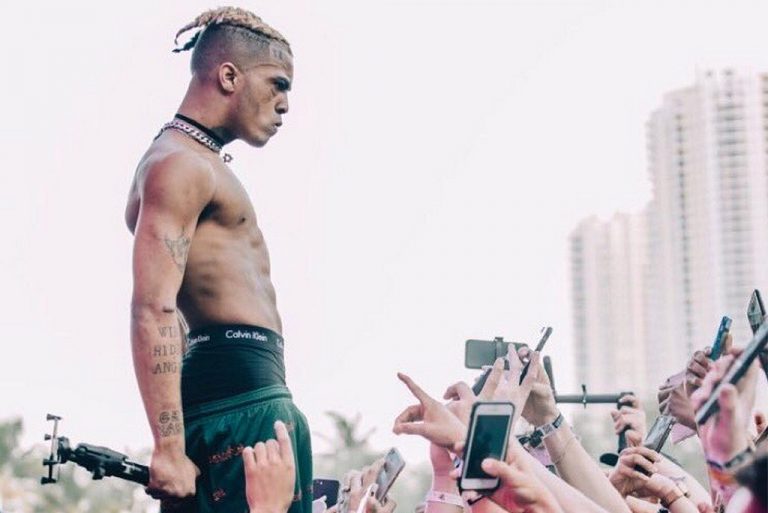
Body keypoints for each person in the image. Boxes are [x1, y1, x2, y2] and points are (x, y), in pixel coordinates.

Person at [124, 6, 311, 513]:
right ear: (229, 76)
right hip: (238, 407)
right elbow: (154, 306)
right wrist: (168, 447)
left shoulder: (196, 161)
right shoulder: (180, 164)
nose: (285, 104)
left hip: (250, 398)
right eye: (277, 84)